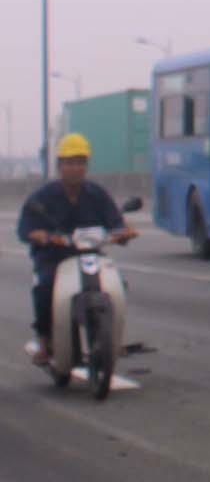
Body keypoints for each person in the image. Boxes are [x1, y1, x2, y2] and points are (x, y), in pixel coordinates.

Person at [17, 133, 137, 366]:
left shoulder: (97, 194)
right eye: (70, 163)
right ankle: (44, 341)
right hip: (54, 257)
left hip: (89, 255)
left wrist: (123, 233)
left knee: (116, 285)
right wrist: (41, 236)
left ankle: (112, 337)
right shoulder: (42, 197)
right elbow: (26, 229)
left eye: (80, 162)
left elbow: (116, 222)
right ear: (60, 165)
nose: (75, 168)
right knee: (45, 288)